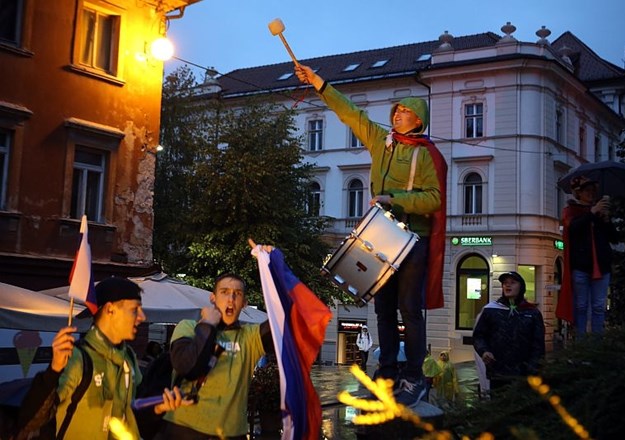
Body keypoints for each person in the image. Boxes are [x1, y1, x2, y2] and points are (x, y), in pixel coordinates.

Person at [295, 64, 447, 408]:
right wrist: (319, 81)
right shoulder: (382, 142)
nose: (398, 115)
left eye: (406, 111)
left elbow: (434, 199)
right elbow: (351, 113)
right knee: (382, 309)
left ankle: (415, 375)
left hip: (412, 239)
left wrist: (395, 199)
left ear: (418, 120)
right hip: (382, 234)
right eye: (396, 110)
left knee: (409, 309)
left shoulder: (425, 153)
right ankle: (388, 370)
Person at [15, 277, 188, 440]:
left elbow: (126, 415)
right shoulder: (78, 357)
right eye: (135, 309)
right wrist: (54, 370)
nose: (142, 317)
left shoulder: (128, 359)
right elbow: (32, 420)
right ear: (110, 309)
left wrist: (157, 408)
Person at [157, 271, 274, 439]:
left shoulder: (250, 337)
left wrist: (272, 266)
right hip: (184, 429)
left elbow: (283, 319)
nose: (231, 299)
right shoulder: (188, 327)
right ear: (213, 298)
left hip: (231, 433)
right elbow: (187, 367)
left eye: (237, 294)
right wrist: (208, 325)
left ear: (245, 303)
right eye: (224, 292)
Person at [556, 176, 618, 337]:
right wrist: (592, 212)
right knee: (581, 306)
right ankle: (581, 343)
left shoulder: (599, 213)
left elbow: (614, 238)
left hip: (601, 266)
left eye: (593, 191)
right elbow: (573, 229)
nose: (591, 194)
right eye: (587, 191)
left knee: (598, 306)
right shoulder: (571, 211)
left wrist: (606, 220)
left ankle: (596, 343)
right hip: (581, 266)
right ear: (579, 193)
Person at [473, 272, 545, 391]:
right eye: (505, 283)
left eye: (512, 282)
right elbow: (479, 336)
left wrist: (534, 369)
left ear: (521, 287)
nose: (508, 286)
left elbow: (538, 345)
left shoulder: (532, 313)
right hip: (498, 374)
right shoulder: (491, 310)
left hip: (524, 375)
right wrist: (484, 351)